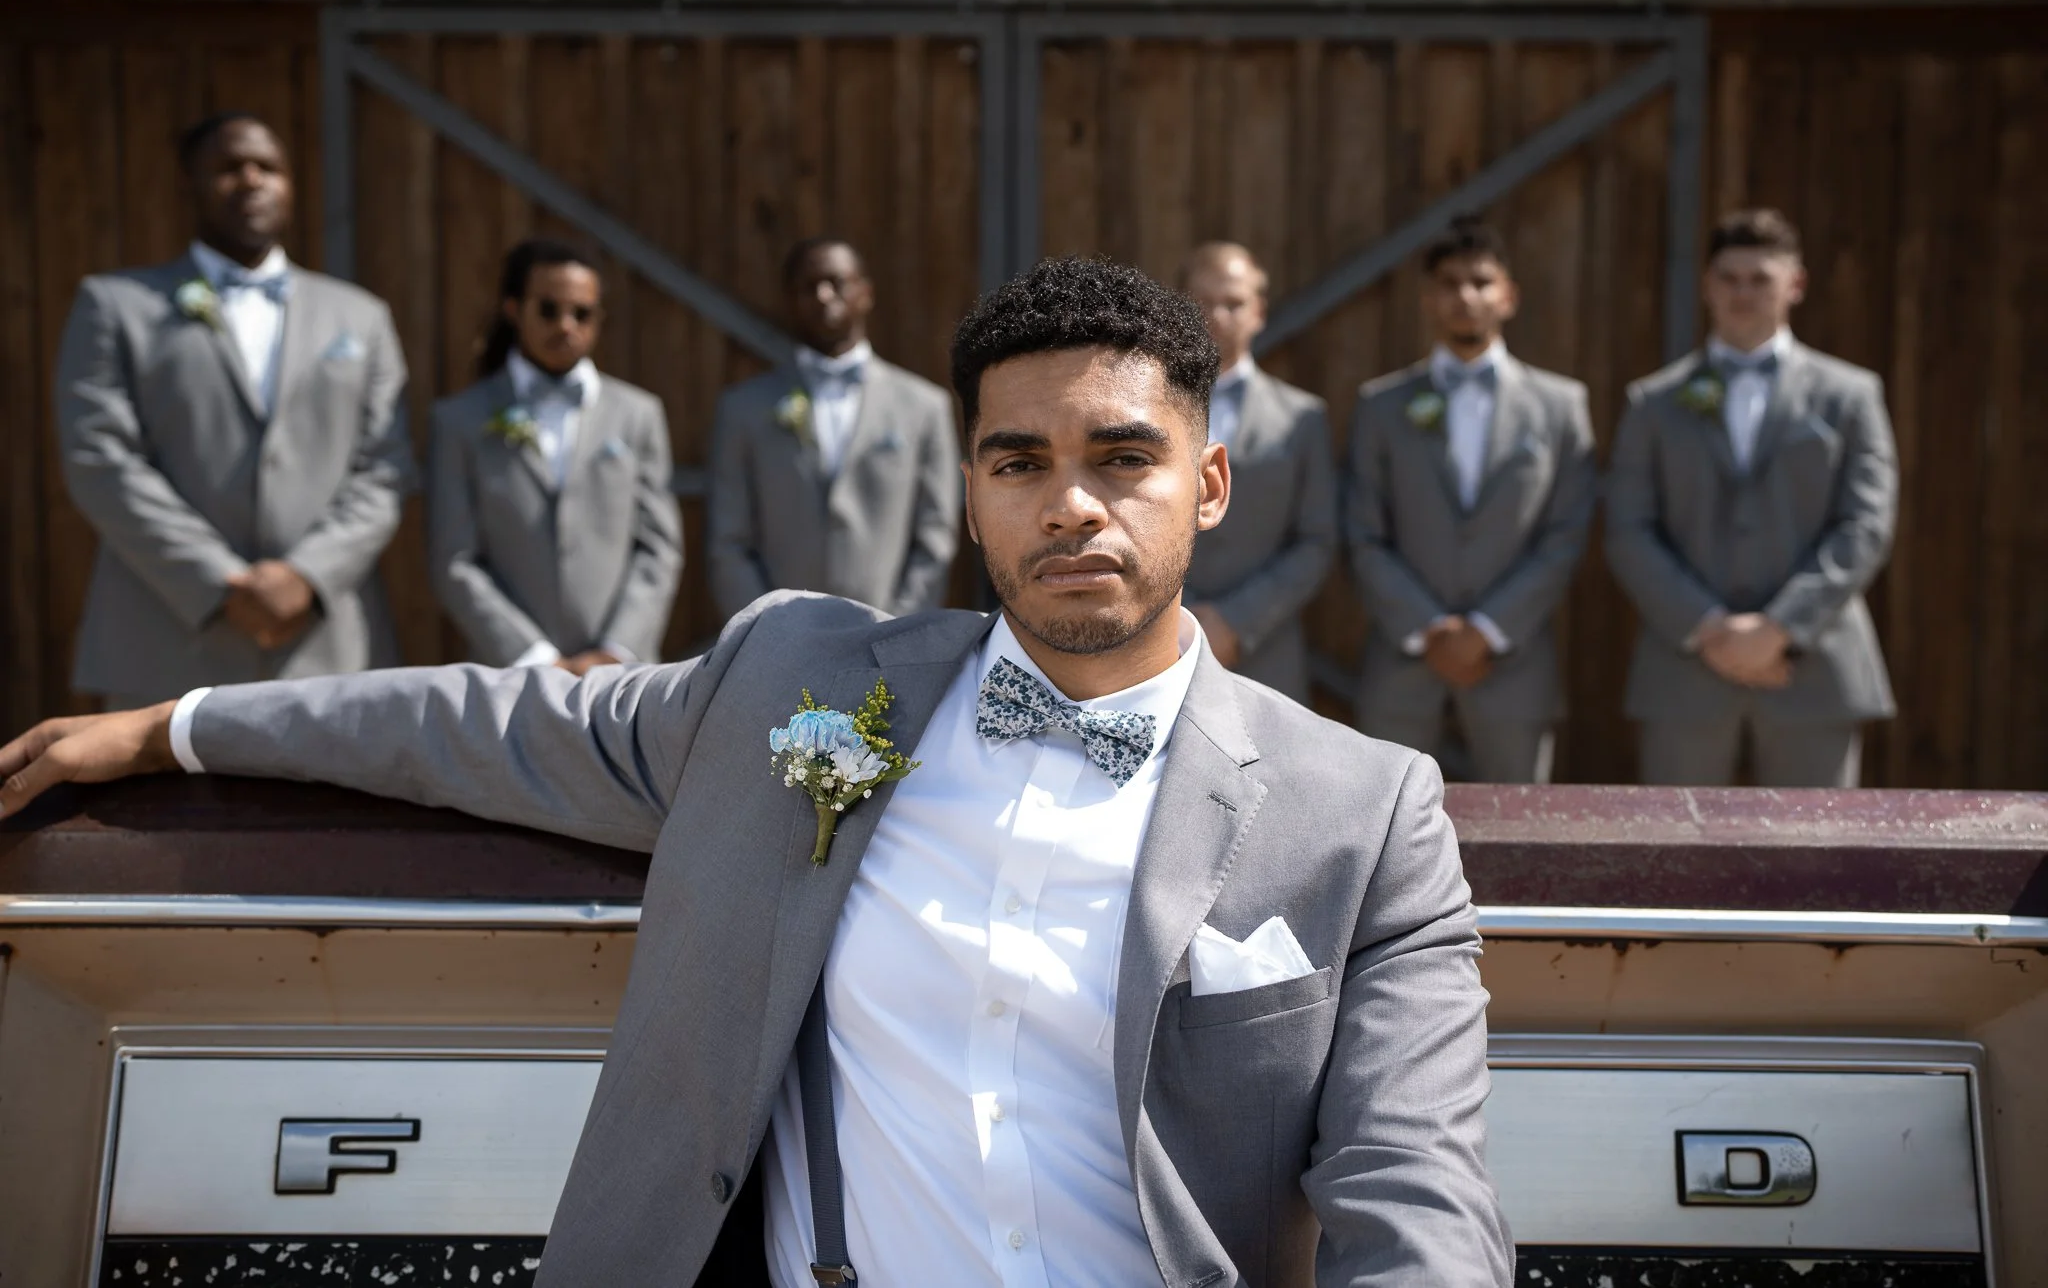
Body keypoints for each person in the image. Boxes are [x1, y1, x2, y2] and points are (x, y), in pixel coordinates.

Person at [0, 256, 1511, 1288]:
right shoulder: (802, 685)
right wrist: (173, 724)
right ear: (972, 496)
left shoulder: (1363, 809)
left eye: (1122, 458)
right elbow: (487, 723)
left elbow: (1416, 1188)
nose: (1072, 506)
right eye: (1018, 462)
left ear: (1210, 483)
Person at [55, 110, 412, 707]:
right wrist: (219, 583)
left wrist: (306, 576)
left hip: (325, 648)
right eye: (228, 168)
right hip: (168, 641)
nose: (251, 180)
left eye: (267, 167)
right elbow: (100, 458)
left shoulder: (361, 317)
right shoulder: (114, 306)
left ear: (291, 184)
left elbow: (386, 467)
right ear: (189, 185)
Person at [1607, 208, 1897, 787]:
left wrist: (1779, 630)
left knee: (1815, 861)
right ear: (1708, 286)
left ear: (1796, 284)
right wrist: (1709, 627)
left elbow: (1866, 524)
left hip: (1814, 670)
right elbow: (1628, 529)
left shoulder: (1851, 394)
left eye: (1760, 278)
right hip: (1686, 668)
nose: (1743, 292)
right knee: (1675, 860)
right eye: (1729, 278)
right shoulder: (1654, 402)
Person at [1343, 216, 1596, 783]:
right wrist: (1430, 629)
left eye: (1481, 282)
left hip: (1515, 663)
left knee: (1522, 838)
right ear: (1428, 298)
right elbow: (1363, 532)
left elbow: (1565, 535)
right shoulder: (1381, 406)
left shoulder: (1561, 407)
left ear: (1508, 296)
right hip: (1404, 663)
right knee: (1383, 836)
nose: (1465, 296)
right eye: (1450, 283)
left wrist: (1488, 629)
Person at [428, 239, 682, 673]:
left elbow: (659, 546)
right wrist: (534, 657)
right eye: (548, 309)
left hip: (621, 674)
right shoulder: (461, 421)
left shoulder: (638, 414)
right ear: (514, 309)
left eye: (582, 313)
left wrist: (617, 649)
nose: (566, 325)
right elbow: (455, 560)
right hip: (508, 672)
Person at [707, 237, 961, 620]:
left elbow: (936, 534)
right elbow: (728, 539)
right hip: (778, 641)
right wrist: (765, 628)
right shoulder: (744, 408)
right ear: (790, 300)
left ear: (865, 293)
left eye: (836, 282)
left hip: (888, 635)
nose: (823, 295)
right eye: (808, 287)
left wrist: (896, 627)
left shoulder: (924, 407)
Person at [1178, 242, 1338, 703]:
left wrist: (1238, 620)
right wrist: (1174, 614)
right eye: (1202, 302)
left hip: (1264, 648)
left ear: (1259, 312)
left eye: (1234, 303)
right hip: (1154, 640)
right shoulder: (1138, 410)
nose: (1218, 316)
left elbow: (1317, 538)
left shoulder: (1302, 417)